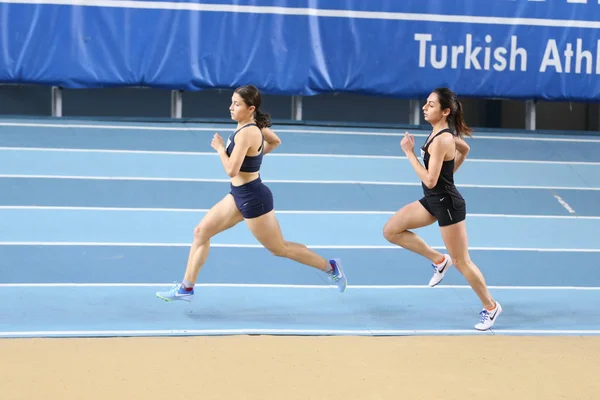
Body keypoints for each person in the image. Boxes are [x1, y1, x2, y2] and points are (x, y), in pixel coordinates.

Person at [156, 84, 347, 302]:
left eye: (237, 104)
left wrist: (219, 148)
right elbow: (275, 141)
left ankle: (331, 267)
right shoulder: (251, 126)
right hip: (238, 194)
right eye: (231, 102)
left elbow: (231, 170)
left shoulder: (247, 133)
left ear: (250, 108)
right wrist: (254, 158)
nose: (231, 107)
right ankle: (186, 288)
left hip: (253, 198)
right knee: (201, 232)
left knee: (279, 248)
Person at [382, 87, 502, 331]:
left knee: (462, 261)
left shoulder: (442, 139)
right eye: (426, 103)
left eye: (431, 105)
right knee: (391, 231)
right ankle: (438, 260)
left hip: (447, 205)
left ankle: (490, 307)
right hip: (434, 200)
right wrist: (449, 177)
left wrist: (409, 153)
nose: (425, 108)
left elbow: (429, 180)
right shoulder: (441, 133)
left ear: (445, 111)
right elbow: (465, 150)